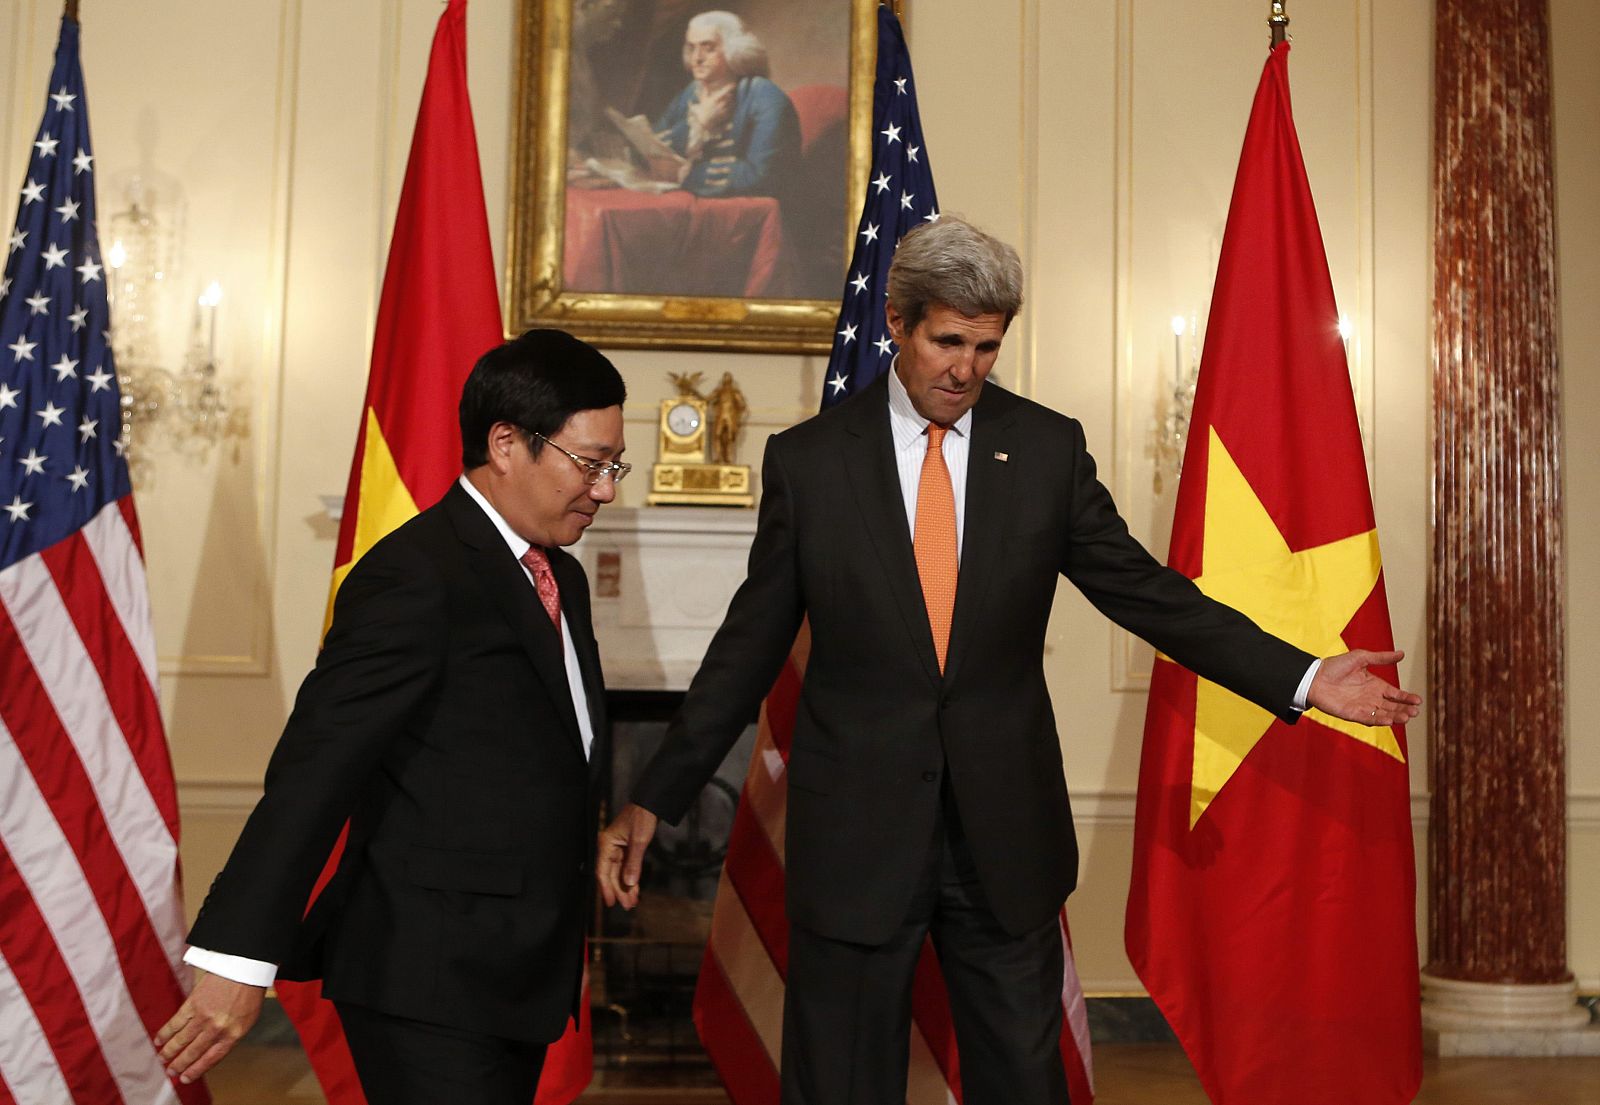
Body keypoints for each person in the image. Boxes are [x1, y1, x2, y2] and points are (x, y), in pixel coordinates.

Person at [597, 217, 1421, 1104]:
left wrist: (1303, 675)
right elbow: (748, 645)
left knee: (1027, 1082)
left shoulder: (1043, 449)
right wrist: (656, 792)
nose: (966, 368)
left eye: (987, 347)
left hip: (1002, 838)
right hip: (857, 839)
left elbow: (1148, 594)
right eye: (948, 341)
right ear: (897, 323)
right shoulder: (811, 463)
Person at [155, 330, 630, 1104]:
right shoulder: (416, 575)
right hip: (426, 979)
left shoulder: (560, 577)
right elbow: (315, 770)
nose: (605, 489)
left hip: (513, 977)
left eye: (614, 466)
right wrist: (238, 957)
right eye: (590, 463)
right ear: (506, 444)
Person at [652, 10, 800, 197]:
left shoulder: (765, 97)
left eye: (709, 48)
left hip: (750, 213)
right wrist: (697, 126)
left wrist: (686, 174)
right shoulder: (690, 93)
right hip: (697, 205)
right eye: (692, 48)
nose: (697, 58)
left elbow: (760, 175)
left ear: (734, 49)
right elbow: (655, 145)